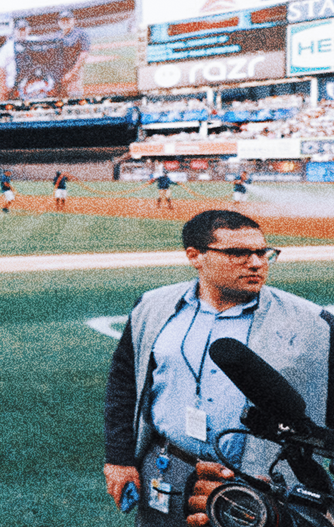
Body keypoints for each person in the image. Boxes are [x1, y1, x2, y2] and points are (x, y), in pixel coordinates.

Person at [102, 210, 331, 526]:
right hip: (168, 465)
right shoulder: (152, 307)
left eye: (262, 252)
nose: (256, 262)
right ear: (195, 256)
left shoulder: (313, 323)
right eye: (238, 253)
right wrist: (119, 459)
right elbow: (126, 381)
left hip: (260, 480)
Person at [55, 10, 90, 98]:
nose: (65, 22)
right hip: (59, 73)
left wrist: (73, 73)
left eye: (67, 19)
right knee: (59, 97)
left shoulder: (80, 34)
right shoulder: (56, 36)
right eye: (62, 20)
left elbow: (83, 54)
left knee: (74, 96)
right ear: (58, 22)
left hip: (74, 71)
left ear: (74, 20)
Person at [0, 20, 26, 100]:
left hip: (30, 86)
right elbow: (1, 67)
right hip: (13, 86)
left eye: (23, 29)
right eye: (19, 30)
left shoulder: (34, 43)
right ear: (15, 31)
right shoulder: (8, 47)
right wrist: (3, 87)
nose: (21, 32)